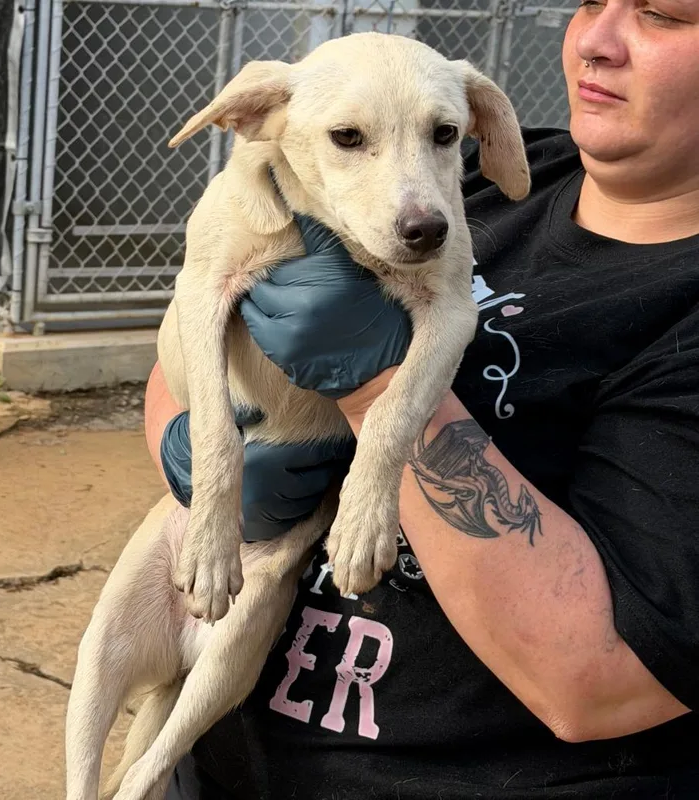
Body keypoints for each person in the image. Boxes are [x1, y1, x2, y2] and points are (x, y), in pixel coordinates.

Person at [144, 0, 699, 796]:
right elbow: (199, 330)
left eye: (661, 15)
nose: (596, 41)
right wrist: (199, 453)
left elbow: (602, 681)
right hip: (228, 731)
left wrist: (374, 386)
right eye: (589, 2)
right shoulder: (472, 168)